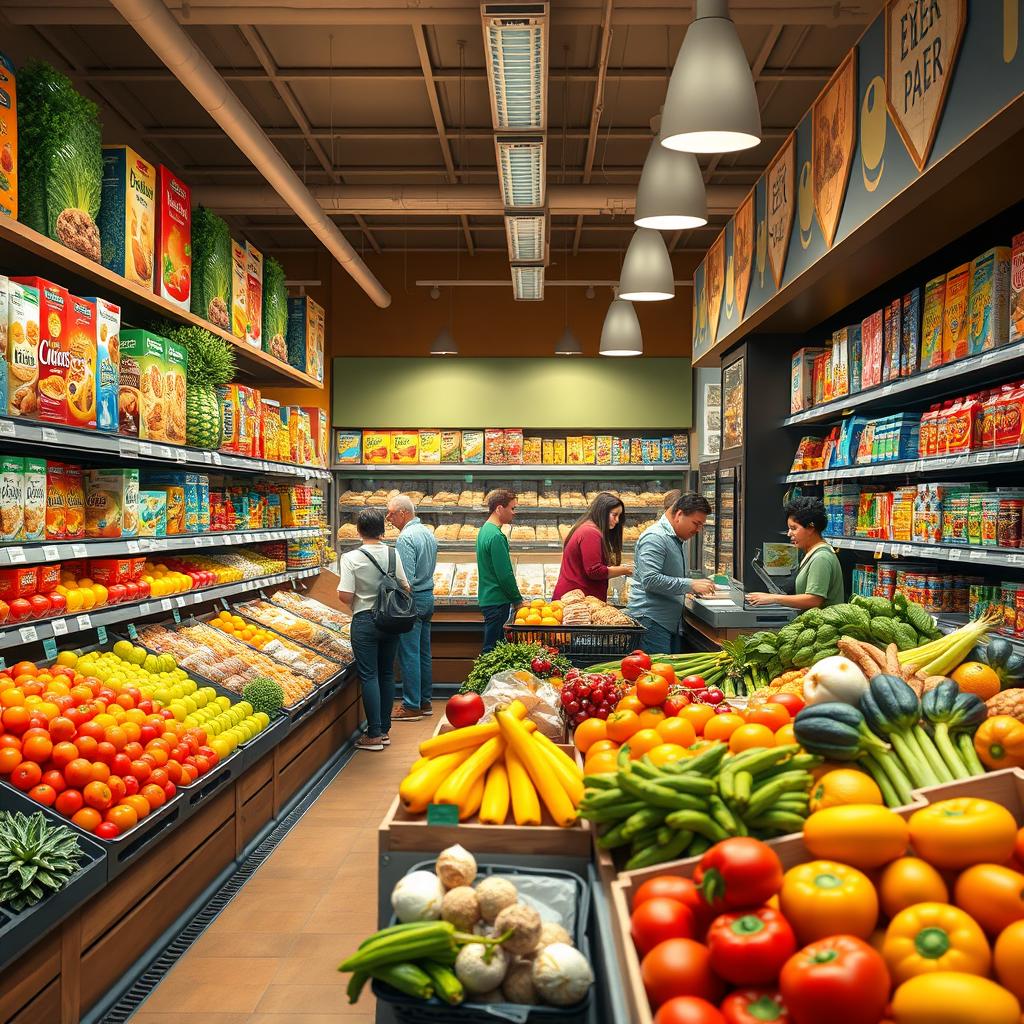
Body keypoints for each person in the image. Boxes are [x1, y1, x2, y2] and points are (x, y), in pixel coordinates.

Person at [337, 508, 410, 751]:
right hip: (390, 621)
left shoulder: (350, 558)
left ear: (359, 530)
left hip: (365, 620)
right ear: (382, 528)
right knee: (387, 674)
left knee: (369, 676)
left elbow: (345, 596)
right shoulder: (393, 553)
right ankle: (385, 730)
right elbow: (405, 587)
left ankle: (374, 734)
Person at [627, 492, 715, 655]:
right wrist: (690, 585)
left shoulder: (674, 537)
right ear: (679, 514)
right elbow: (650, 580)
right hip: (652, 622)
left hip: (665, 622)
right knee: (655, 673)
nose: (698, 530)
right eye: (696, 523)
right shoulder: (655, 538)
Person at [387, 494, 439, 722]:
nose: (387, 518)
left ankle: (411, 706)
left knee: (409, 654)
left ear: (403, 513)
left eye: (390, 513)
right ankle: (425, 701)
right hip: (428, 597)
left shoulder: (405, 538)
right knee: (423, 653)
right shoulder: (428, 533)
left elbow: (404, 578)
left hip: (412, 599)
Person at [747, 496, 845, 609]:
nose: (789, 534)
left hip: (822, 625)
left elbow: (814, 600)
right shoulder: (810, 553)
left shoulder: (821, 558)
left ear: (810, 527)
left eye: (794, 528)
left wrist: (772, 598)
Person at [552, 491, 634, 601]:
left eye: (619, 516)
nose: (617, 520)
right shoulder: (590, 532)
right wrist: (625, 570)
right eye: (614, 515)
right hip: (576, 600)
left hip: (576, 597)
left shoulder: (587, 527)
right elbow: (594, 571)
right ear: (602, 512)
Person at [476, 488, 522, 653]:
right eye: (512, 508)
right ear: (499, 508)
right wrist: (517, 600)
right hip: (497, 600)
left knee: (491, 646)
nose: (514, 513)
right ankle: (487, 679)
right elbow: (504, 575)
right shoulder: (496, 536)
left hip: (488, 597)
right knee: (492, 649)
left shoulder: (484, 531)